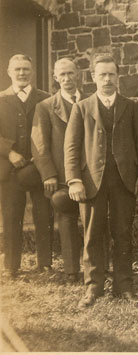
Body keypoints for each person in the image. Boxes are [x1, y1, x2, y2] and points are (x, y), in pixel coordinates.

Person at [64, 55, 138, 308]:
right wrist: (74, 181)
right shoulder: (81, 108)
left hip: (124, 181)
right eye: (101, 74)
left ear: (117, 77)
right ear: (93, 77)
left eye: (111, 74)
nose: (107, 79)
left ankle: (124, 286)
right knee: (92, 234)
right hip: (92, 181)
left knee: (123, 233)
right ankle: (93, 287)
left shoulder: (130, 107)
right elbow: (71, 148)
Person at [31, 58, 85, 283]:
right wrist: (49, 174)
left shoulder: (91, 102)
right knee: (66, 216)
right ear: (55, 78)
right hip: (62, 175)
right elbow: (39, 144)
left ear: (78, 75)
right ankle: (72, 270)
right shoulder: (45, 107)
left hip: (91, 172)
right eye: (62, 75)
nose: (67, 78)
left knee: (94, 219)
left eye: (70, 73)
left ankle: (98, 267)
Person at [0, 54, 52, 278]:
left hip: (38, 168)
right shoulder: (0, 99)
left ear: (32, 72)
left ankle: (46, 264)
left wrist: (39, 158)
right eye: (17, 69)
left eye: (26, 69)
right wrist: (9, 152)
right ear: (9, 72)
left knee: (44, 215)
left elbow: (52, 133)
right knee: (11, 216)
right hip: (10, 169)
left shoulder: (45, 99)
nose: (22, 73)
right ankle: (11, 266)